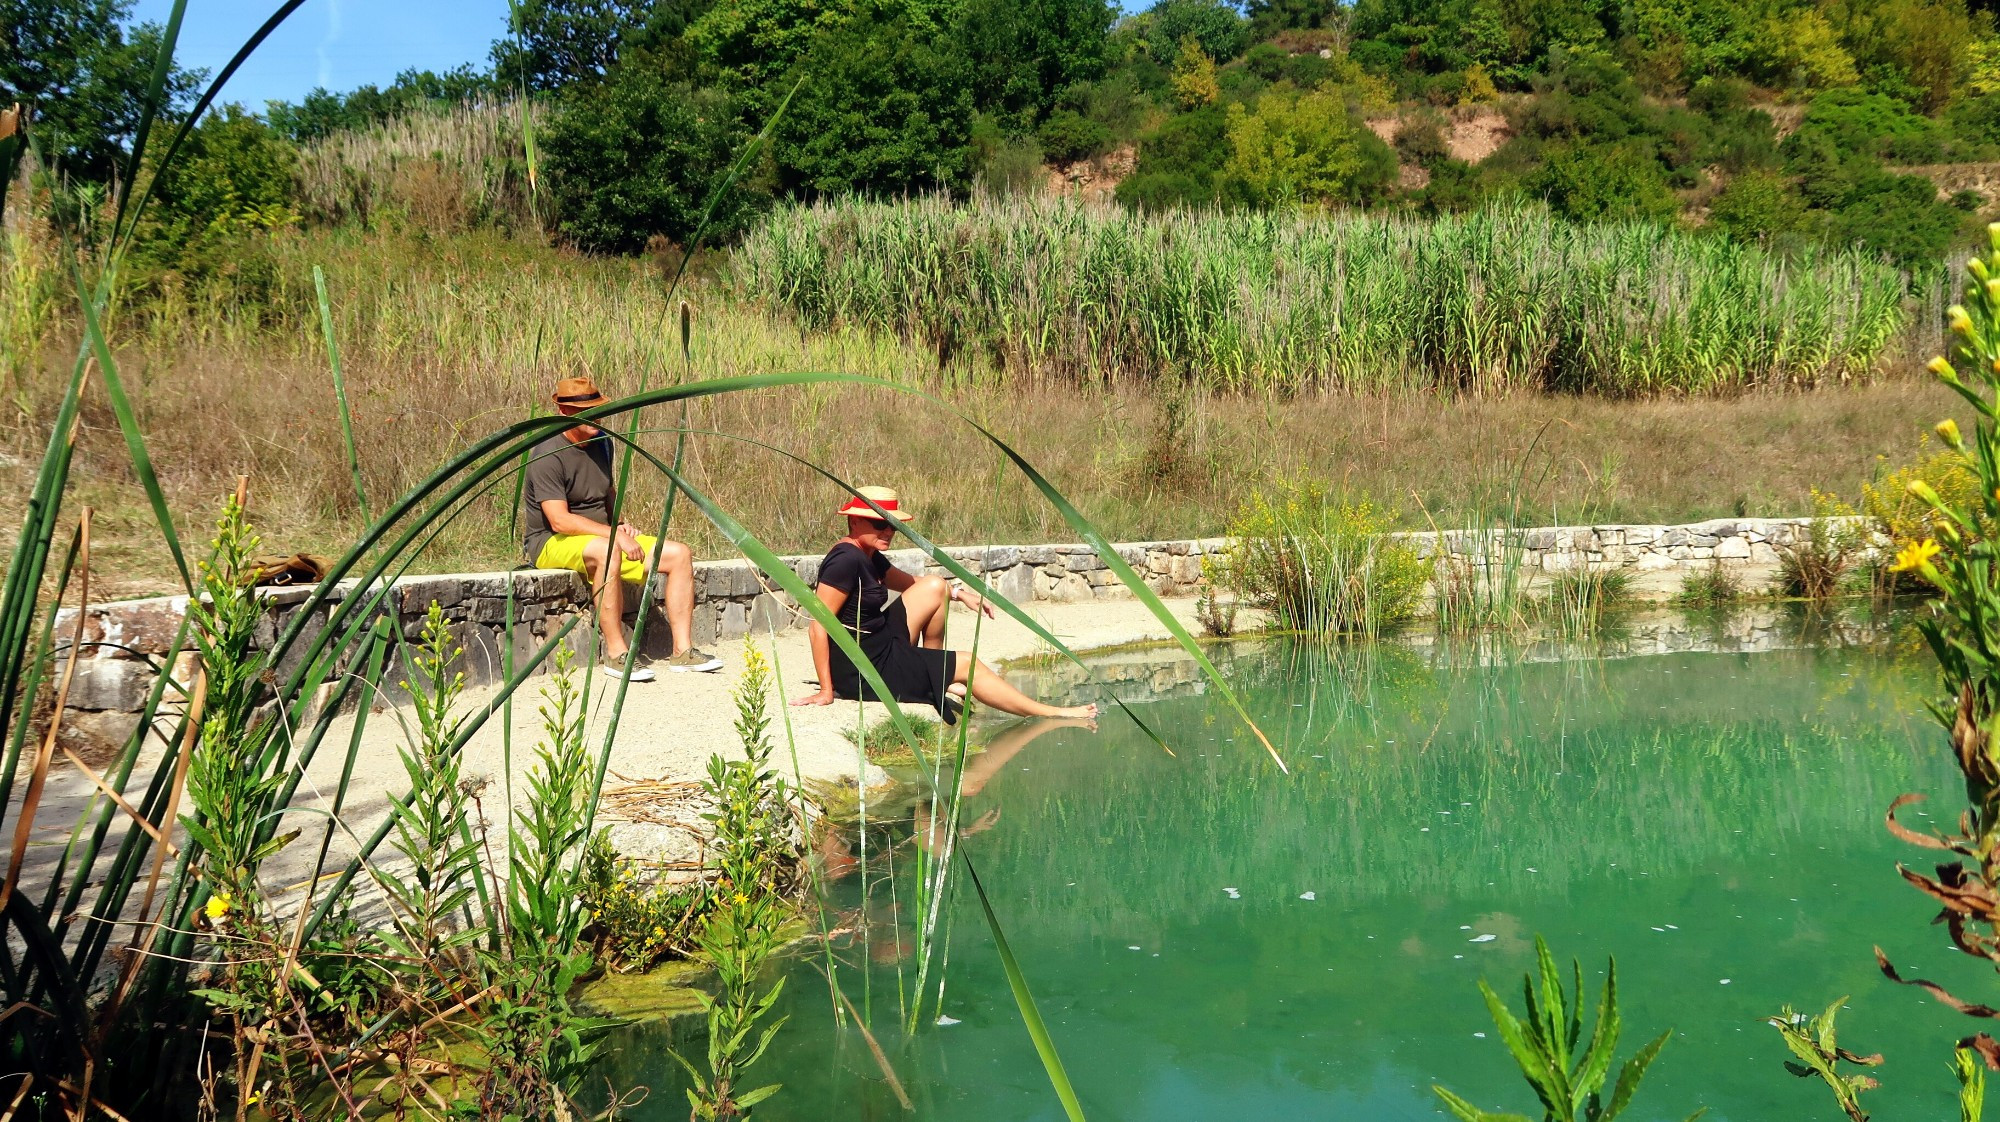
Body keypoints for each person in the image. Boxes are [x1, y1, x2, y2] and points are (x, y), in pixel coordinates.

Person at [791, 485, 1097, 721]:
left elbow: (913, 585)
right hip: (865, 668)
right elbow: (819, 626)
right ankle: (1049, 712)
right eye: (880, 524)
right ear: (855, 521)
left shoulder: (867, 555)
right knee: (966, 662)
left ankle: (934, 675)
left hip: (881, 644)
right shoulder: (844, 560)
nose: (888, 532)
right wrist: (827, 690)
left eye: (893, 526)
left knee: (935, 586)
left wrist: (961, 594)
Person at [523, 376, 721, 681]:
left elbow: (607, 491)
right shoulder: (547, 453)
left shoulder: (603, 443)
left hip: (602, 536)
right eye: (585, 412)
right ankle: (617, 654)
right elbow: (559, 520)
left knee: (679, 554)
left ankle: (683, 651)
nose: (595, 418)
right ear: (564, 414)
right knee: (608, 551)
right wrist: (612, 536)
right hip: (551, 541)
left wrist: (620, 523)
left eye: (598, 410)